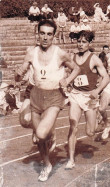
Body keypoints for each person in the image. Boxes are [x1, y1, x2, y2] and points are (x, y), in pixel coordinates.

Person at [15, 19, 80, 181]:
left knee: (41, 133)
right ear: (38, 34)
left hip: (54, 97)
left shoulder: (60, 53)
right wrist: (18, 73)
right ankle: (47, 164)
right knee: (38, 138)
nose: (45, 37)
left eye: (49, 34)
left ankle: (50, 132)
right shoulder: (31, 52)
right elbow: (20, 73)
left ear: (54, 36)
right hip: (36, 95)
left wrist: (68, 79)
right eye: (42, 33)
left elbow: (76, 68)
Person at [65, 31, 109, 169]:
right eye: (79, 41)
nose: (80, 44)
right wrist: (68, 84)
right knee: (73, 126)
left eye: (84, 42)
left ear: (90, 44)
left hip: (89, 98)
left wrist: (97, 90)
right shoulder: (72, 57)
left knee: (90, 132)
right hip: (76, 96)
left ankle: (100, 121)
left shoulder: (94, 59)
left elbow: (106, 77)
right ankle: (71, 160)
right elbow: (67, 72)